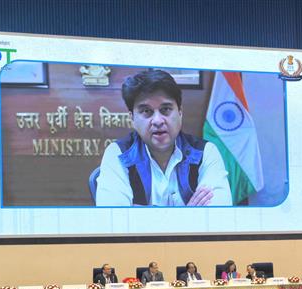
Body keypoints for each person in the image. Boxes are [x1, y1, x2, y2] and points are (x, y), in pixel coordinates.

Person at [95, 69, 231, 207]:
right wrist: (189, 213)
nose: (158, 121)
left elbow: (219, 217)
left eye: (165, 109)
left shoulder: (205, 152)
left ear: (180, 112)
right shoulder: (118, 154)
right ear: (132, 119)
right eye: (146, 111)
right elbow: (115, 221)